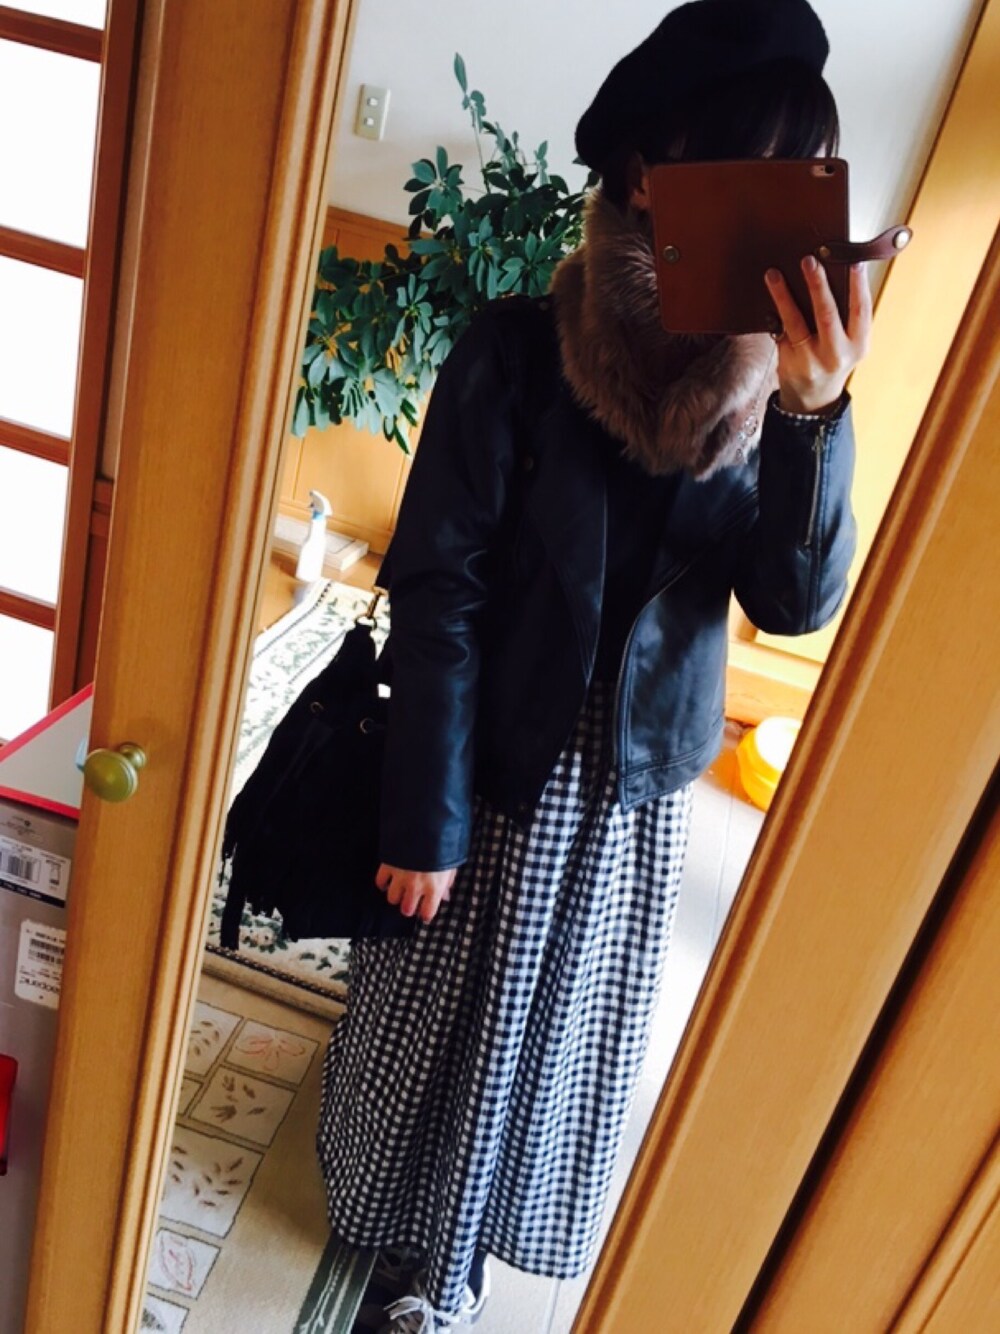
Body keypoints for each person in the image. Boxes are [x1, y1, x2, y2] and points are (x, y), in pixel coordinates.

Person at [316, 2, 868, 1329]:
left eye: (801, 184)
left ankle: (456, 1264)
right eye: (749, 176)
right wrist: (424, 816)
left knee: (550, 1039)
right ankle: (396, 1240)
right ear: (648, 174)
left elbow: (793, 604)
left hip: (631, 788)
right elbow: (438, 589)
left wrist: (817, 417)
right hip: (490, 750)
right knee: (430, 1009)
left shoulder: (776, 393)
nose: (777, 216)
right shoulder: (515, 351)